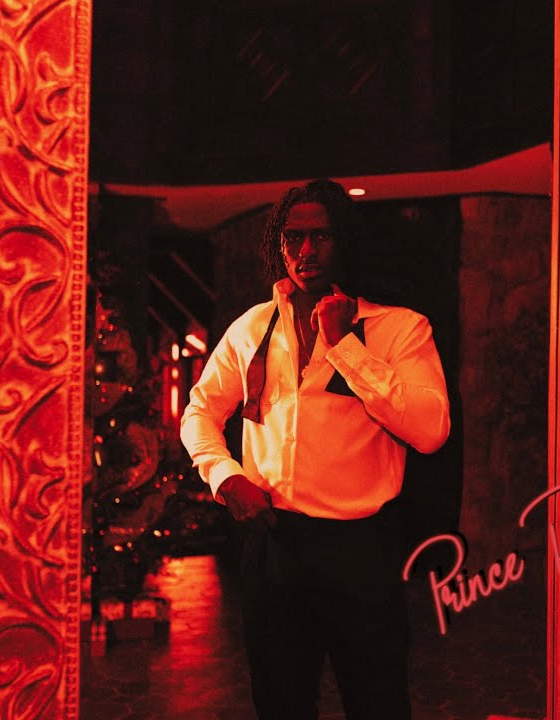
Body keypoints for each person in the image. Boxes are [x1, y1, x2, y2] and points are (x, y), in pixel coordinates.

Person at [179, 178, 451, 719]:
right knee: (279, 704)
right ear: (279, 246)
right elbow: (199, 411)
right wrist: (225, 476)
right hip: (273, 545)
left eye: (322, 236)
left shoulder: (398, 329)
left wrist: (345, 344)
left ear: (344, 240)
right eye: (293, 237)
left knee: (378, 704)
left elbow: (430, 430)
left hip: (360, 551)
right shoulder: (252, 328)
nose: (306, 250)